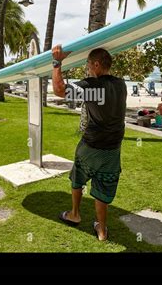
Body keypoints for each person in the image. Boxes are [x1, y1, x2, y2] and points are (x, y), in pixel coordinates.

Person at [52, 45, 127, 241]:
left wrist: (57, 62)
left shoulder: (92, 87)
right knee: (103, 188)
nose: (86, 68)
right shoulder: (121, 85)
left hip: (91, 147)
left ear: (95, 64)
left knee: (78, 178)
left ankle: (75, 214)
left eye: (87, 64)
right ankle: (102, 230)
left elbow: (60, 90)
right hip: (113, 149)